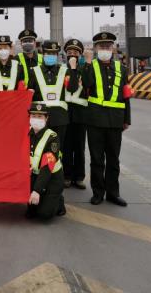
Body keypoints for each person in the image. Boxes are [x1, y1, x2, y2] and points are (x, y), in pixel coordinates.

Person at [82, 31, 132, 207]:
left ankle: (113, 193)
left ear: (113, 48)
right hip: (95, 120)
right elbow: (86, 84)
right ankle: (98, 193)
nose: (105, 49)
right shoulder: (90, 66)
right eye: (101, 46)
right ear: (96, 48)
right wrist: (87, 63)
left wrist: (127, 119)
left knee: (113, 160)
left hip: (115, 121)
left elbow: (125, 96)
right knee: (97, 160)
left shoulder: (121, 68)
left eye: (108, 46)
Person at [28, 40, 77, 153]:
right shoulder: (34, 71)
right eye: (48, 53)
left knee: (57, 151)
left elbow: (72, 89)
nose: (51, 56)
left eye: (54, 53)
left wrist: (73, 69)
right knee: (39, 150)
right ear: (43, 53)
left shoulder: (64, 71)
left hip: (60, 119)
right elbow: (29, 95)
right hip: (40, 119)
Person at [26, 103, 66, 220]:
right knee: (31, 212)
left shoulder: (53, 138)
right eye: (33, 116)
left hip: (52, 178)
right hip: (33, 175)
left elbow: (47, 166)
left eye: (40, 116)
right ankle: (43, 196)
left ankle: (59, 202)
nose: (36, 119)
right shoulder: (26, 133)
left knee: (44, 214)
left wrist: (36, 191)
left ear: (46, 118)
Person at [63, 39, 88, 190]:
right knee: (66, 147)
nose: (72, 55)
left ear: (80, 54)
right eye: (69, 52)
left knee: (79, 148)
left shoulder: (85, 70)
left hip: (81, 114)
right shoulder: (62, 70)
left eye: (76, 52)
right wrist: (72, 69)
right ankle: (66, 176)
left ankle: (79, 177)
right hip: (66, 113)